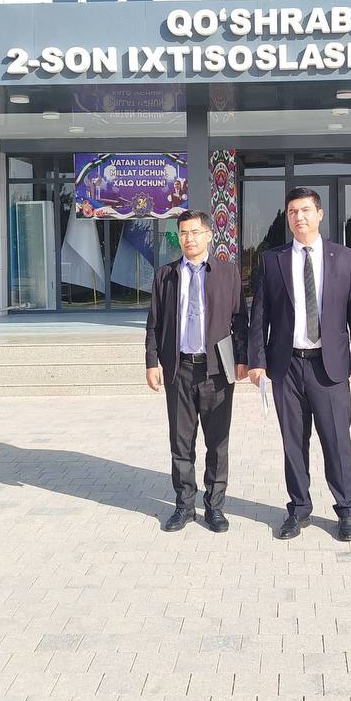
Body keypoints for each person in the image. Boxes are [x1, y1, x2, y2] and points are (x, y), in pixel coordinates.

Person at [247, 187, 351, 542]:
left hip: (329, 368)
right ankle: (299, 508)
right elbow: (260, 316)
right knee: (293, 443)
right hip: (286, 367)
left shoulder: (344, 258)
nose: (298, 217)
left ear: (319, 214)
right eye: (292, 212)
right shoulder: (272, 260)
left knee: (336, 441)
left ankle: (346, 510)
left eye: (304, 210)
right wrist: (257, 361)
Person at [145, 209, 248, 533]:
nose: (188, 239)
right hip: (179, 370)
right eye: (183, 233)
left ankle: (214, 508)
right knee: (181, 444)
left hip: (216, 371)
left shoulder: (227, 273)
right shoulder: (166, 275)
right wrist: (151, 362)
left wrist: (242, 358)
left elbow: (240, 320)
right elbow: (154, 324)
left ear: (208, 235)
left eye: (194, 232)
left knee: (217, 443)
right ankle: (184, 507)